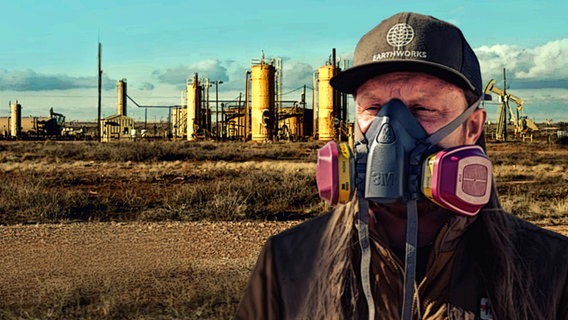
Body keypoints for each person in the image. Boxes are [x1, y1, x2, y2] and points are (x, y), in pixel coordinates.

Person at [235, 12, 568, 320]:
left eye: (421, 108)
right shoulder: (287, 263)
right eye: (373, 106)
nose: (389, 128)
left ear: (473, 127)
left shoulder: (552, 269)